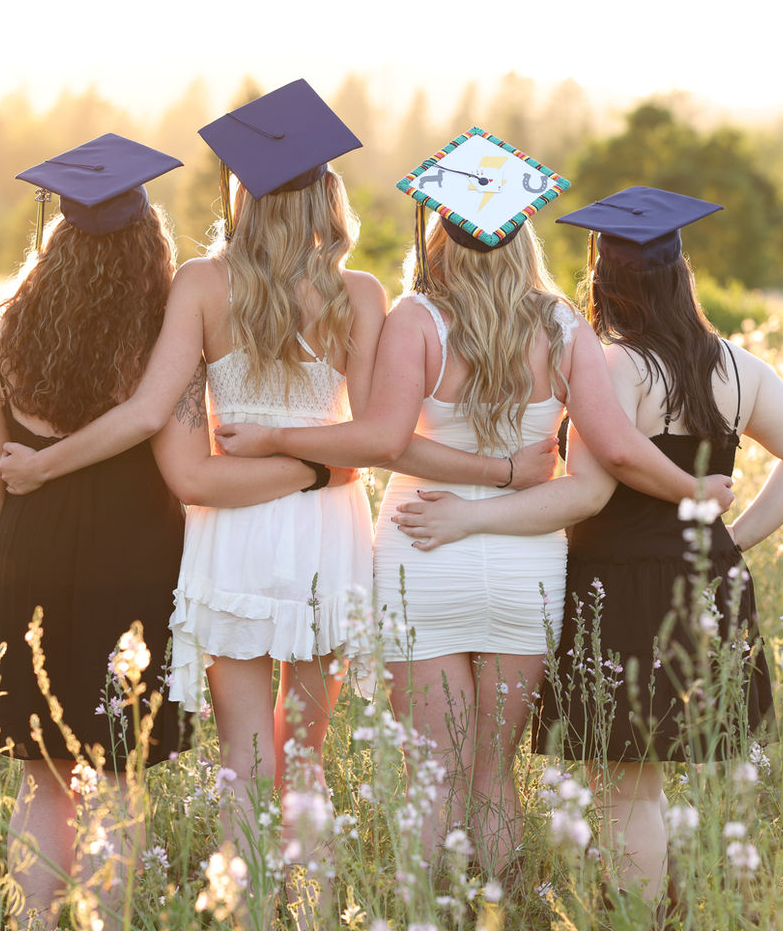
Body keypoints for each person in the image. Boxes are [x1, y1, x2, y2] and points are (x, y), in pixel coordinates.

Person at [0, 88, 552, 914]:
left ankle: (243, 907)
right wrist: (319, 461)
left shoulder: (202, 286)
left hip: (233, 537)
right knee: (308, 754)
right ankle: (313, 910)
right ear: (330, 195)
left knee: (244, 758)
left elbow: (180, 457)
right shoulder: (360, 295)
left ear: (241, 196)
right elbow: (374, 441)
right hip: (328, 536)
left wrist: (264, 442)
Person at [214, 138, 736, 876]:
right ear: (523, 236)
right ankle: (492, 907)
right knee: (493, 773)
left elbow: (385, 442)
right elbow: (615, 449)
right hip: (527, 563)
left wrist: (271, 435)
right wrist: (694, 490)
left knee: (436, 776)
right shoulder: (562, 326)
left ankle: (435, 914)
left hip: (422, 547)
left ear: (437, 232)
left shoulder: (415, 320)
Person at [390, 186, 783, 907]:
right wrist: (728, 542)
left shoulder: (617, 365)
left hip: (621, 585)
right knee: (647, 783)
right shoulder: (737, 366)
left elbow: (606, 473)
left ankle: (636, 916)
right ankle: (651, 906)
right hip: (702, 579)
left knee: (626, 784)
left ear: (603, 278)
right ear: (680, 275)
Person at [0, 134, 350, 930]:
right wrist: (314, 468)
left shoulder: (2, 339)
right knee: (113, 779)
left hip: (25, 554)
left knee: (43, 783)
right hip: (135, 561)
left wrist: (8, 567)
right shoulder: (155, 340)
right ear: (150, 241)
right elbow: (173, 444)